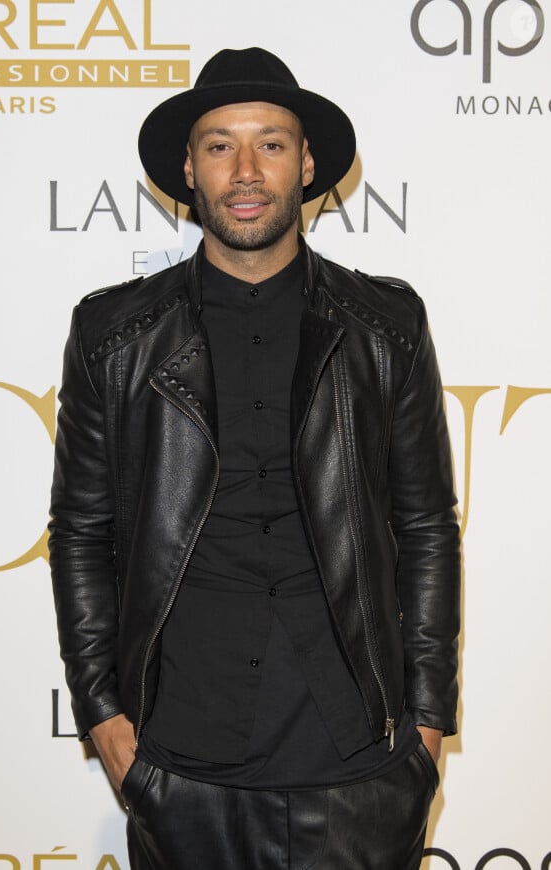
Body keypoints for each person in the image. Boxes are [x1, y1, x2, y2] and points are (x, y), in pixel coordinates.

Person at [49, 47, 460, 870]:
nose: (245, 169)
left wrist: (425, 722)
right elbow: (81, 532)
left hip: (361, 761)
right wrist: (104, 716)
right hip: (181, 758)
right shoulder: (114, 336)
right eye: (219, 145)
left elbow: (424, 526)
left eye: (270, 143)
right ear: (188, 171)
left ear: (307, 164)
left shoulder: (386, 326)